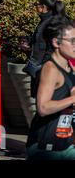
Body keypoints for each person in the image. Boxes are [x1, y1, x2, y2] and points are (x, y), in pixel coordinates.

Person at [26, 16, 75, 160]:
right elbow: (43, 107)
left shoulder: (69, 67)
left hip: (63, 144)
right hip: (45, 147)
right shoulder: (51, 69)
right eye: (72, 41)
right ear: (56, 42)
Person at [21, 0, 67, 97]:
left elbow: (53, 49)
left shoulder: (52, 23)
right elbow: (42, 43)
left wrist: (43, 68)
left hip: (47, 73)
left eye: (36, 4)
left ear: (43, 7)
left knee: (45, 107)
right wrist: (29, 45)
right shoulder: (45, 21)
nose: (34, 7)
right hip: (44, 71)